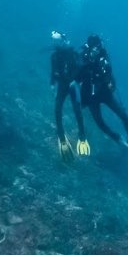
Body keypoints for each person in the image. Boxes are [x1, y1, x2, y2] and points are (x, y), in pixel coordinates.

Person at [77, 34, 128, 164]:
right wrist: (89, 62)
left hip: (105, 93)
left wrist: (111, 84)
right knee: (99, 122)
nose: (98, 49)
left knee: (124, 115)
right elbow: (78, 74)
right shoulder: (84, 55)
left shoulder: (104, 55)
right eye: (95, 47)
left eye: (99, 46)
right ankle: (117, 137)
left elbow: (110, 74)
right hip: (91, 96)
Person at [49, 30, 90, 161]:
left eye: (58, 41)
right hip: (62, 85)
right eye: (54, 41)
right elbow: (53, 71)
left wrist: (74, 80)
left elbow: (79, 69)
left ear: (64, 41)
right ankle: (62, 138)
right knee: (57, 110)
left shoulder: (73, 54)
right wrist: (52, 83)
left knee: (77, 110)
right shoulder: (54, 56)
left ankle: (82, 137)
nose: (56, 44)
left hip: (72, 86)